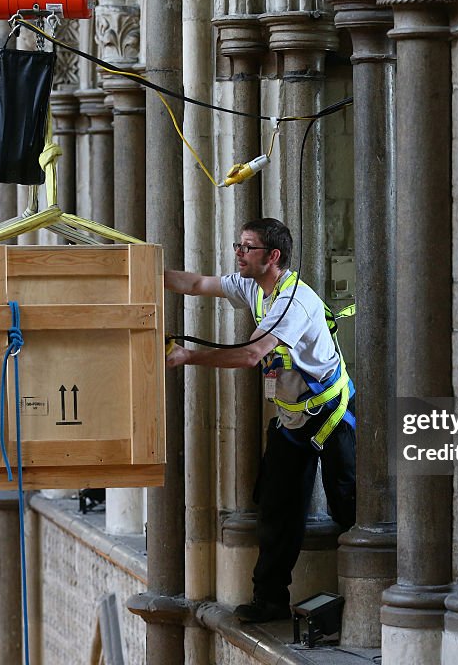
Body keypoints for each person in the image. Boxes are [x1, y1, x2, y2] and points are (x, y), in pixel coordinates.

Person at [164, 218, 357, 623]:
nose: (238, 252)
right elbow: (196, 285)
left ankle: (367, 596)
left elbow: (251, 355)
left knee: (349, 506)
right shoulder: (251, 285)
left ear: (273, 257)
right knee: (276, 510)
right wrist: (143, 273)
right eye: (238, 244)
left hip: (331, 416)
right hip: (291, 419)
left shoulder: (294, 303)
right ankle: (270, 601)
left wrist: (188, 356)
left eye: (247, 247)